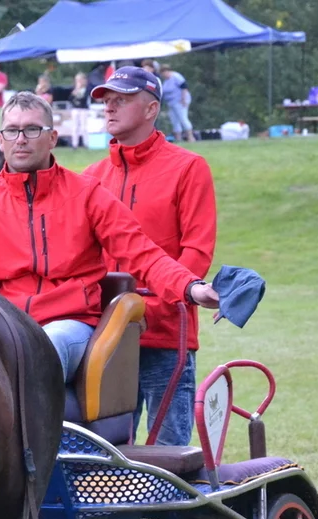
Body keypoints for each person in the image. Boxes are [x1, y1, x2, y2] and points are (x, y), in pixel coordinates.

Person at [0, 92, 218, 384]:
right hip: (2, 322)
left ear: (52, 138)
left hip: (68, 324)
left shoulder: (87, 194)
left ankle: (33, 429)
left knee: (46, 346)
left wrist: (192, 287)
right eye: (12, 130)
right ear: (0, 140)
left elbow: (142, 253)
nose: (21, 138)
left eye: (32, 129)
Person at [83, 66, 216, 446]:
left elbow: (197, 251)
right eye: (106, 101)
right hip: (106, 337)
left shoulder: (188, 167)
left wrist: (154, 307)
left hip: (164, 334)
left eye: (121, 100)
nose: (110, 107)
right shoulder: (90, 177)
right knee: (104, 456)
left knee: (171, 454)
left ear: (151, 108)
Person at [160, 64, 195, 143]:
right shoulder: (166, 81)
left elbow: (184, 87)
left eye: (164, 72)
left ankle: (191, 137)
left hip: (180, 101)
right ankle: (178, 139)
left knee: (183, 118)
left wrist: (183, 99)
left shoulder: (176, 76)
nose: (163, 75)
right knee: (174, 120)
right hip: (171, 103)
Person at [68, 72, 90, 149]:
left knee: (84, 127)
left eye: (80, 80)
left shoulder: (87, 89)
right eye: (77, 80)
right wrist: (75, 92)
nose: (79, 82)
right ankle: (74, 144)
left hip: (83, 109)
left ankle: (86, 143)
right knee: (75, 127)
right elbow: (70, 99)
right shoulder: (74, 89)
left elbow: (85, 98)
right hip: (75, 109)